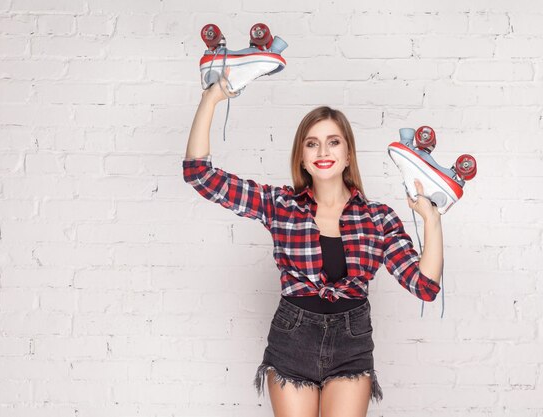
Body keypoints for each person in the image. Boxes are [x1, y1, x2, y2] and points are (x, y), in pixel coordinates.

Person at [183, 70, 444, 417]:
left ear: (349, 154)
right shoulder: (280, 205)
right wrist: (211, 98)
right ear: (302, 157)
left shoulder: (378, 218)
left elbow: (424, 286)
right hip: (292, 341)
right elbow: (199, 174)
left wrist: (432, 219)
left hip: (351, 345)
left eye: (333, 141)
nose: (323, 150)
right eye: (312, 143)